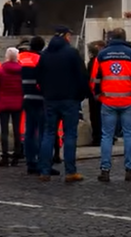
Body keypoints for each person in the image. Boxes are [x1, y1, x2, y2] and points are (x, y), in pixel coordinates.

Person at [90, 28, 131, 182]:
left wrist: (98, 96)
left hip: (108, 100)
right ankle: (130, 169)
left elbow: (94, 80)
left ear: (110, 38)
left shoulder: (102, 55)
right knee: (129, 135)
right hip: (128, 100)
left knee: (107, 136)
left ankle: (105, 170)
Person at [35, 26, 87, 182]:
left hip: (50, 99)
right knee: (69, 134)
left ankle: (44, 171)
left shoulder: (45, 55)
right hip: (70, 99)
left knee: (48, 134)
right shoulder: (72, 53)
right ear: (65, 36)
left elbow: (39, 77)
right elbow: (82, 76)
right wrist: (80, 95)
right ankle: (70, 171)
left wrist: (46, 92)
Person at [20, 36, 52, 175]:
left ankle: (30, 162)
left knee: (29, 131)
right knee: (43, 132)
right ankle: (42, 162)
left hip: (26, 97)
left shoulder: (22, 58)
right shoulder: (41, 59)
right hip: (40, 98)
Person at [0, 47, 24, 167]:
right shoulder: (21, 70)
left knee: (4, 130)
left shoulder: (1, 69)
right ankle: (16, 155)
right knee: (17, 130)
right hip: (18, 102)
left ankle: (5, 156)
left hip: (4, 102)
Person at [86, 40, 106, 146]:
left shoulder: (93, 62)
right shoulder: (103, 61)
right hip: (103, 92)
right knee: (103, 116)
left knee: (95, 116)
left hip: (94, 93)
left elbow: (90, 78)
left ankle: (98, 137)